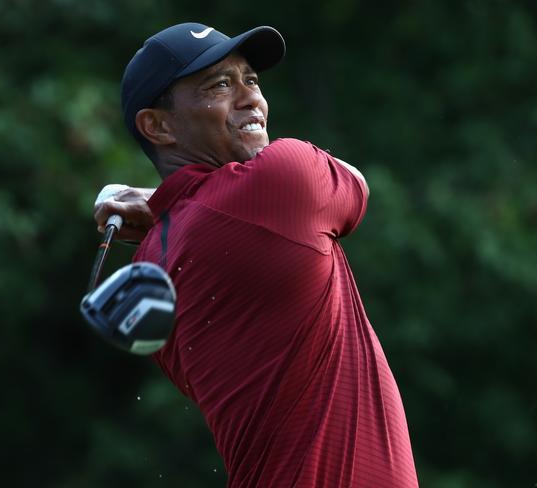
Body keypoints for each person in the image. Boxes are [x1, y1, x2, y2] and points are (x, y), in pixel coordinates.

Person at [94, 23, 419, 488]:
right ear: (158, 126)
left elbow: (199, 216)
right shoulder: (282, 180)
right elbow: (357, 186)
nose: (252, 99)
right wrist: (158, 201)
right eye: (220, 85)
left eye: (251, 79)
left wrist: (163, 205)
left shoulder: (151, 267)